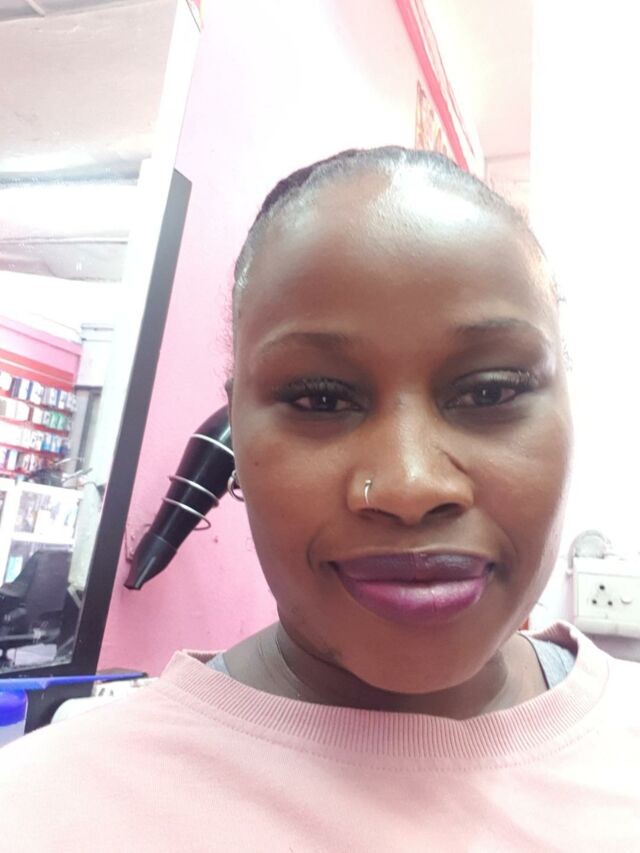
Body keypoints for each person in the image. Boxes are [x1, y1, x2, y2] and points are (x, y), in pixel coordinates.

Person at [1, 146, 639, 851]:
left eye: (490, 391)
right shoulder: (41, 813)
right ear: (236, 430)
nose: (408, 487)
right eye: (321, 399)